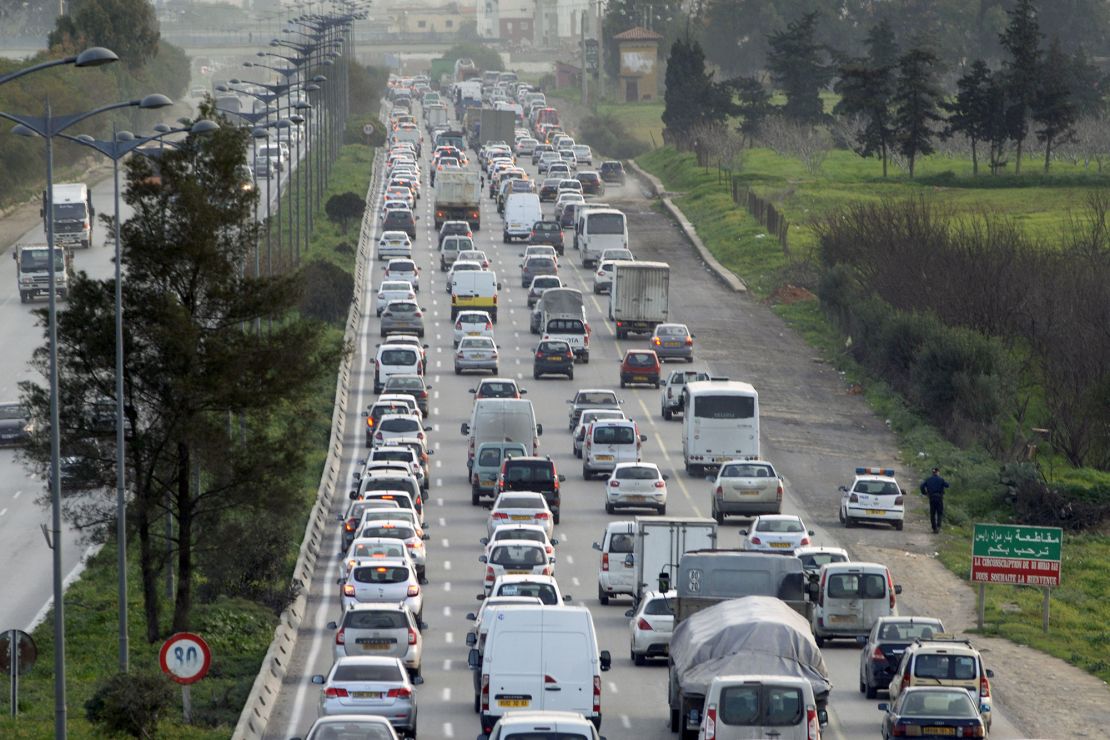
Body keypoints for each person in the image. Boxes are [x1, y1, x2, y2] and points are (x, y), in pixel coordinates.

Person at [919, 468, 950, 533]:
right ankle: (938, 526)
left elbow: (921, 486)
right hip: (939, 498)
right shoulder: (941, 479)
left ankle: (934, 528)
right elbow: (947, 485)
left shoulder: (928, 479)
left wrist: (925, 493)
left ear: (933, 473)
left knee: (932, 513)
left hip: (932, 498)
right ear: (938, 472)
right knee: (939, 513)